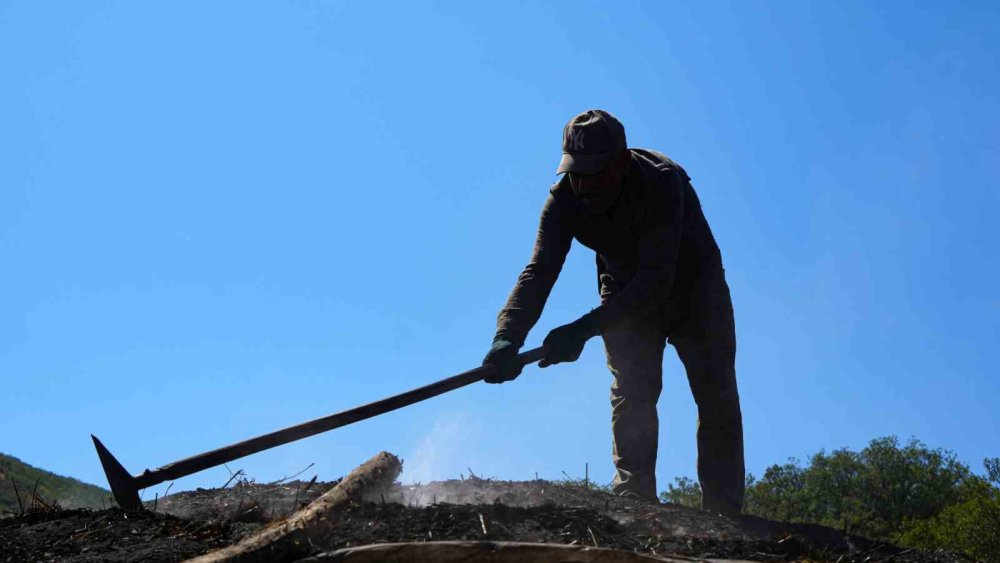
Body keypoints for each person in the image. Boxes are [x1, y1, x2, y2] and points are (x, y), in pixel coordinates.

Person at [482, 109, 745, 516]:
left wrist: (582, 330)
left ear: (621, 163)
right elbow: (539, 271)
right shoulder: (564, 200)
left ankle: (724, 514)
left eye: (595, 172)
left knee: (716, 397)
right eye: (575, 172)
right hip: (623, 286)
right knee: (632, 390)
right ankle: (635, 499)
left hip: (694, 289)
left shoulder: (661, 182)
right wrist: (508, 337)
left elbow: (657, 281)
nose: (584, 184)